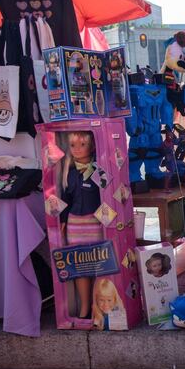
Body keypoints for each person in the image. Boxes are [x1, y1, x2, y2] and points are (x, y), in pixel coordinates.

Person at [60, 131, 102, 319]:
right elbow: (65, 197)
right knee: (79, 267)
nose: (77, 149)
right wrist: (61, 220)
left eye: (82, 144)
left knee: (99, 264)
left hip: (95, 222)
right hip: (74, 224)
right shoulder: (69, 171)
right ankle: (85, 308)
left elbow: (107, 195)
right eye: (73, 145)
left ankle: (97, 304)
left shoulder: (99, 169)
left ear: (92, 146)